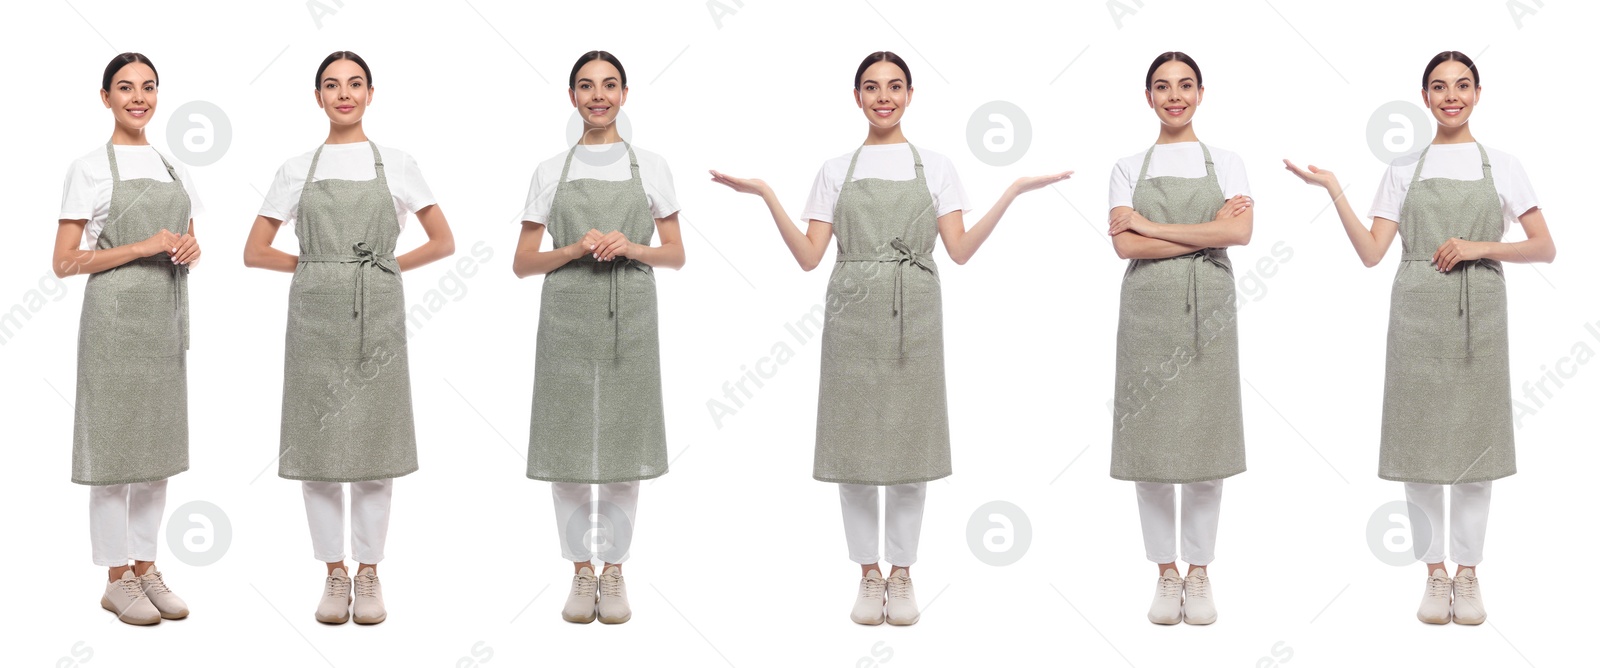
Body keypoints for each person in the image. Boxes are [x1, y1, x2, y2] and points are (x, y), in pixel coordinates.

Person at [711, 51, 1069, 626]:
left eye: (895, 86)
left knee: (909, 448)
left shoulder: (938, 164)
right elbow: (808, 257)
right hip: (851, 310)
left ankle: (902, 573)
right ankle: (867, 574)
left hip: (917, 308)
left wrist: (1013, 191)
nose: (884, 96)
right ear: (857, 97)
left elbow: (958, 250)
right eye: (872, 87)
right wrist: (765, 195)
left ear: (910, 95)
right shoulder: (834, 168)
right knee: (853, 449)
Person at [1285, 50, 1555, 625]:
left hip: (1480, 309)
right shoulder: (1403, 167)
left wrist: (1480, 246)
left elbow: (1543, 246)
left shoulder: (1503, 165)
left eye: (1461, 85)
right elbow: (1371, 254)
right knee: (1419, 447)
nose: (1450, 95)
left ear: (1478, 94)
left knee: (1475, 449)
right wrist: (1334, 187)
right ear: (1425, 97)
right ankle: (1434, 574)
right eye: (1438, 86)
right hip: (1415, 312)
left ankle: (1470, 575)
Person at [243, 50, 457, 625]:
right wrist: (319, 268)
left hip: (378, 311)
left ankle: (369, 572)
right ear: (317, 98)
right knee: (317, 448)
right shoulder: (295, 168)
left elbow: (443, 241)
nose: (344, 93)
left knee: (373, 446)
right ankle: (333, 572)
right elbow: (254, 251)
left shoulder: (400, 162)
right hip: (313, 315)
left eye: (355, 84)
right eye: (332, 85)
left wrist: (381, 269)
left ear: (370, 93)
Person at [513, 50, 685, 625]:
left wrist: (632, 247)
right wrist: (573, 249)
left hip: (630, 312)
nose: (598, 96)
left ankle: (613, 570)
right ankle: (578, 571)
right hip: (566, 311)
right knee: (565, 449)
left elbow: (676, 254)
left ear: (625, 94)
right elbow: (520, 263)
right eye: (586, 87)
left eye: (609, 86)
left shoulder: (653, 167)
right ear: (571, 98)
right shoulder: (547, 170)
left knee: (620, 449)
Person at [57, 51, 202, 626]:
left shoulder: (173, 168)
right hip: (114, 320)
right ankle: (115, 578)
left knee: (156, 452)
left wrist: (191, 249)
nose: (138, 97)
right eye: (125, 87)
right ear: (105, 97)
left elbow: (188, 238)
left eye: (147, 87)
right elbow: (65, 262)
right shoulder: (89, 167)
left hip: (163, 318)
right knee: (117, 453)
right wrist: (141, 247)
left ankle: (146, 566)